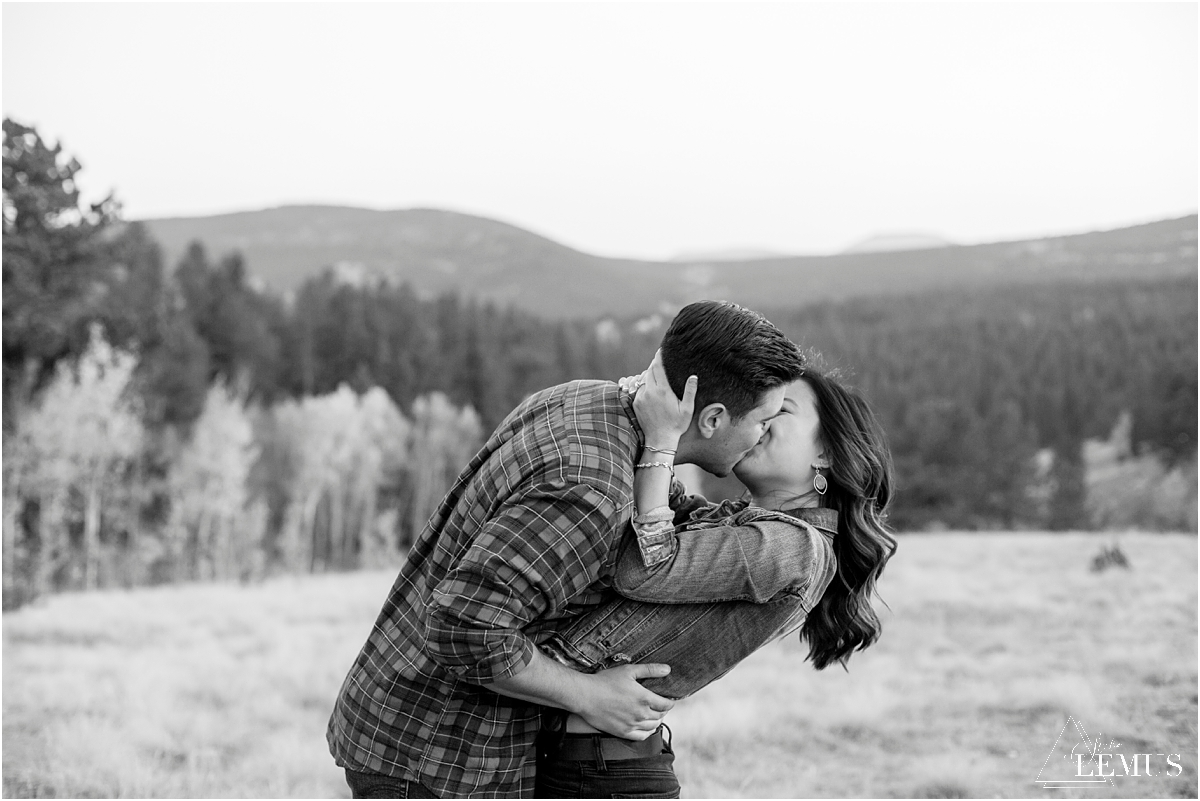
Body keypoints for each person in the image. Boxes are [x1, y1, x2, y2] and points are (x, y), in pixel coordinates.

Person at [327, 301, 807, 798]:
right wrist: (591, 695)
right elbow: (463, 626)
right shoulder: (592, 486)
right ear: (712, 419)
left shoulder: (581, 399)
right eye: (762, 421)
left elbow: (673, 509)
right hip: (437, 758)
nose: (763, 435)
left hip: (406, 725)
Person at [531, 355, 898, 798]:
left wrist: (664, 442)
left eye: (780, 412)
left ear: (826, 451)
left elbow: (645, 567)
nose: (757, 423)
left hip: (602, 775)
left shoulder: (794, 549)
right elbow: (663, 505)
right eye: (757, 412)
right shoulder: (747, 524)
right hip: (586, 761)